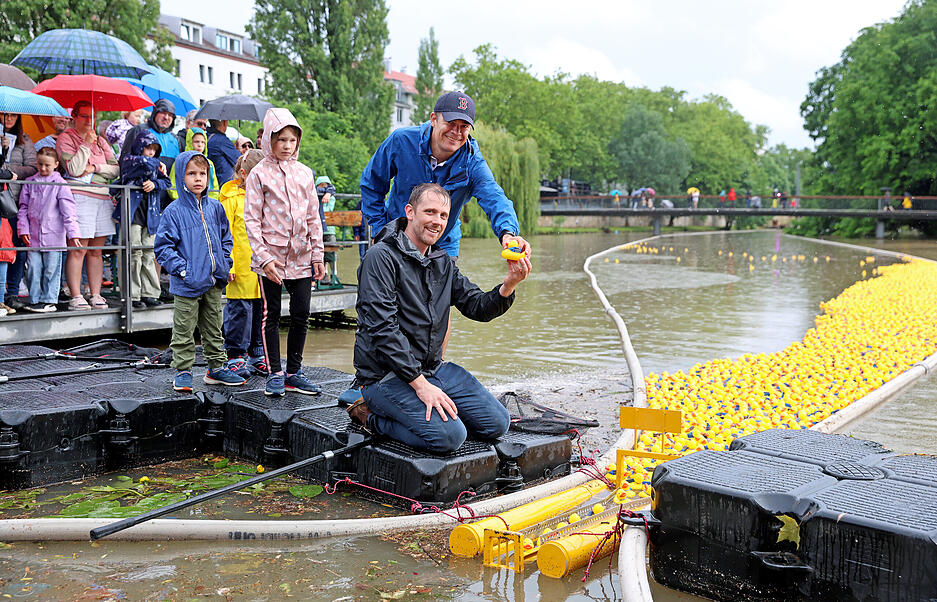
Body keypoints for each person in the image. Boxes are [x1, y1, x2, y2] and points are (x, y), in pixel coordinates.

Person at [346, 183, 530, 453]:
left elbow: (477, 306)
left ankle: (428, 412)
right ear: (410, 212)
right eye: (430, 212)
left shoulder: (441, 262)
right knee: (449, 437)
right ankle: (369, 416)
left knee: (497, 423)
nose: (437, 221)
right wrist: (420, 386)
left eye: (443, 215)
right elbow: (382, 329)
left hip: (431, 369)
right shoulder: (380, 257)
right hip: (384, 377)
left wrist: (509, 284)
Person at [359, 91, 529, 259]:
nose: (456, 132)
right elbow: (371, 184)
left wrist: (508, 233)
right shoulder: (401, 141)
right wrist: (380, 230)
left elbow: (495, 198)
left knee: (444, 277)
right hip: (397, 236)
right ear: (434, 119)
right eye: (451, 123)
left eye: (464, 126)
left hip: (443, 243)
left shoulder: (473, 163)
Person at [244, 108, 325, 397]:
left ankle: (294, 372)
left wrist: (318, 254)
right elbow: (252, 219)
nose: (287, 146)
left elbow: (314, 216)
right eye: (281, 140)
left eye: (292, 140)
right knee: (272, 314)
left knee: (302, 313)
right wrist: (264, 258)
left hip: (302, 255)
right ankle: (275, 372)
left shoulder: (304, 173)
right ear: (269, 140)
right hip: (272, 258)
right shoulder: (258, 174)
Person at [154, 151, 245, 392]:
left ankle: (216, 368)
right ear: (181, 176)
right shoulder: (174, 211)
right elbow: (163, 248)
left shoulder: (215, 207)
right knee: (183, 329)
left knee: (214, 327)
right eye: (191, 173)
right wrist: (184, 270)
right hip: (187, 283)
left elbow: (226, 238)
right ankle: (183, 370)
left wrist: (224, 262)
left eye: (202, 174)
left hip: (214, 281)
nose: (198, 178)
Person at [56, 100, 119, 311]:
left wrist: (94, 167)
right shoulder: (66, 138)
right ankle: (76, 295)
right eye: (84, 116)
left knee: (96, 250)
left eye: (92, 116)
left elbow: (116, 169)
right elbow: (74, 169)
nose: (89, 120)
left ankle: (96, 293)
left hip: (102, 197)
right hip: (80, 196)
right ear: (74, 116)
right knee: (78, 248)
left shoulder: (101, 141)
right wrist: (85, 145)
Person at [16, 147, 81, 312]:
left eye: (47, 165)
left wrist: (73, 233)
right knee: (32, 268)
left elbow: (68, 211)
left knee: (51, 269)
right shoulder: (30, 182)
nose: (43, 168)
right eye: (40, 164)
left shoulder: (60, 184)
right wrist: (23, 229)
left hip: (54, 236)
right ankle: (35, 299)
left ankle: (49, 300)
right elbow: (23, 208)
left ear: (56, 164)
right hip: (33, 236)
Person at [219, 149, 267, 372]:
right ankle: (235, 355)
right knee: (240, 311)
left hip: (261, 265)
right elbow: (224, 232)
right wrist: (227, 262)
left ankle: (257, 353)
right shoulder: (230, 199)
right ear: (244, 174)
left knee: (260, 310)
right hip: (239, 266)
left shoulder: (264, 197)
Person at [112, 130, 170, 308]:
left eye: (154, 150)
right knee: (133, 253)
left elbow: (167, 182)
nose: (151, 153)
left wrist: (155, 183)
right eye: (148, 148)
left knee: (149, 253)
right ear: (139, 147)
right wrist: (159, 164)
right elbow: (142, 163)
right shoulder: (130, 160)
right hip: (132, 212)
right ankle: (132, 295)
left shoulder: (155, 165)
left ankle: (149, 293)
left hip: (150, 214)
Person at [0, 112, 37, 311]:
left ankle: (12, 293)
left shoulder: (25, 139)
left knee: (17, 249)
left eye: (13, 115)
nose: (9, 119)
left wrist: (12, 172)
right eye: (4, 115)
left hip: (15, 201)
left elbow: (32, 167)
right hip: (1, 198)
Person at [168, 128, 219, 201]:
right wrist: (184, 202)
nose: (200, 145)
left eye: (203, 142)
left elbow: (214, 188)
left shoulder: (209, 164)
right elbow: (172, 187)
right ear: (189, 142)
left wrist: (208, 203)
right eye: (196, 141)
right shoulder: (180, 161)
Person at [315, 175, 337, 284]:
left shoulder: (331, 197)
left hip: (329, 230)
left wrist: (327, 194)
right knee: (320, 253)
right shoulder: (314, 195)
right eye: (321, 185)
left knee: (331, 253)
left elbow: (328, 209)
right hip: (318, 230)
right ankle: (324, 275)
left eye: (325, 185)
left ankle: (334, 275)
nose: (323, 187)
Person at [206, 119, 240, 185]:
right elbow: (238, 161)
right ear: (224, 122)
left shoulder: (207, 137)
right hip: (224, 184)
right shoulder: (221, 140)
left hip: (212, 182)